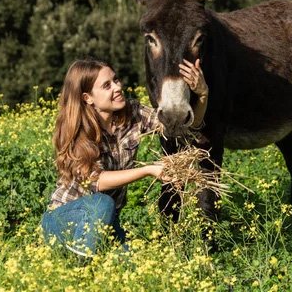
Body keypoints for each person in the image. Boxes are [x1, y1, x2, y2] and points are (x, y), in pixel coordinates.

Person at [41, 58, 208, 256]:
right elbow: (94, 181)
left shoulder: (133, 113)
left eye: (116, 80)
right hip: (64, 220)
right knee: (101, 202)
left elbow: (180, 129)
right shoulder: (77, 130)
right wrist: (148, 170)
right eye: (106, 85)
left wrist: (202, 94)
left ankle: (87, 262)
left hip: (107, 221)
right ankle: (79, 271)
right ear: (88, 98)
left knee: (133, 263)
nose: (117, 87)